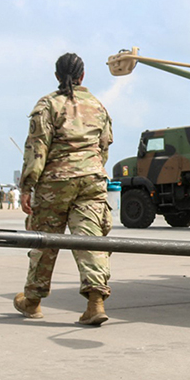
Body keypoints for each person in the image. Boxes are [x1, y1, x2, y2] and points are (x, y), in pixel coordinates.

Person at [14, 53, 114, 325]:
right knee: (91, 240)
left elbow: (37, 149)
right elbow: (103, 149)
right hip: (92, 180)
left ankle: (32, 301)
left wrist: (27, 187)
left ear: (57, 76)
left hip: (55, 183)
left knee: (45, 241)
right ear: (83, 76)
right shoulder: (98, 106)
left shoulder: (48, 105)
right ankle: (95, 303)